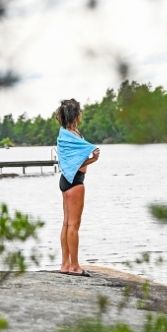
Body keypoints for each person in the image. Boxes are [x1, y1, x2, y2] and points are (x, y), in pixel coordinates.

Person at [54, 98, 100, 277]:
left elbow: (71, 161)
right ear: (76, 115)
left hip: (65, 181)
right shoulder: (73, 135)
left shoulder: (64, 134)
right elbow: (78, 164)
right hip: (75, 182)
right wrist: (93, 159)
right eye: (79, 112)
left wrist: (88, 157)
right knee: (74, 225)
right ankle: (74, 266)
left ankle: (65, 264)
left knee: (66, 223)